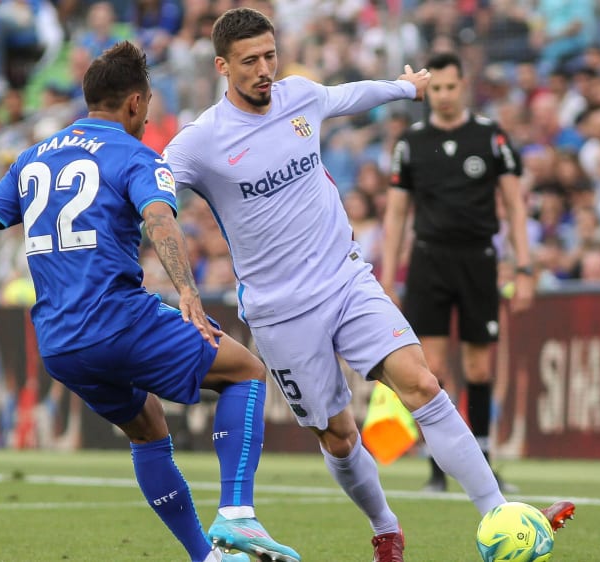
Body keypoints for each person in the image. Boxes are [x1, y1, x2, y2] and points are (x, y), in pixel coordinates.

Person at [164, 9, 574, 562]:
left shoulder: (299, 96)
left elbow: (349, 95)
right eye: (249, 61)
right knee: (338, 436)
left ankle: (499, 512)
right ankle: (385, 528)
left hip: (346, 278)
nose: (265, 69)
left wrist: (405, 86)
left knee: (422, 383)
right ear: (221, 66)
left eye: (269, 55)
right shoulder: (201, 142)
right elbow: (152, 194)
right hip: (280, 312)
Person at [0, 41, 299, 562]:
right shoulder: (134, 154)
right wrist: (188, 291)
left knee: (148, 428)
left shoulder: (32, 157)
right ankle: (238, 514)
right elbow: (159, 219)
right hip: (118, 320)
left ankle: (206, 557)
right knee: (244, 372)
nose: (147, 113)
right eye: (147, 103)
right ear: (134, 103)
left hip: (60, 343)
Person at [379, 52, 535, 495]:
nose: (444, 96)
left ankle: (484, 463)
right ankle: (437, 468)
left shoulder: (490, 137)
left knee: (479, 367)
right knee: (433, 368)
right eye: (437, 89)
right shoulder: (410, 143)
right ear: (428, 92)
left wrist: (524, 268)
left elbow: (515, 206)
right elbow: (396, 216)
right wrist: (388, 279)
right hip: (429, 260)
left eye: (451, 87)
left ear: (463, 86)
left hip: (478, 259)